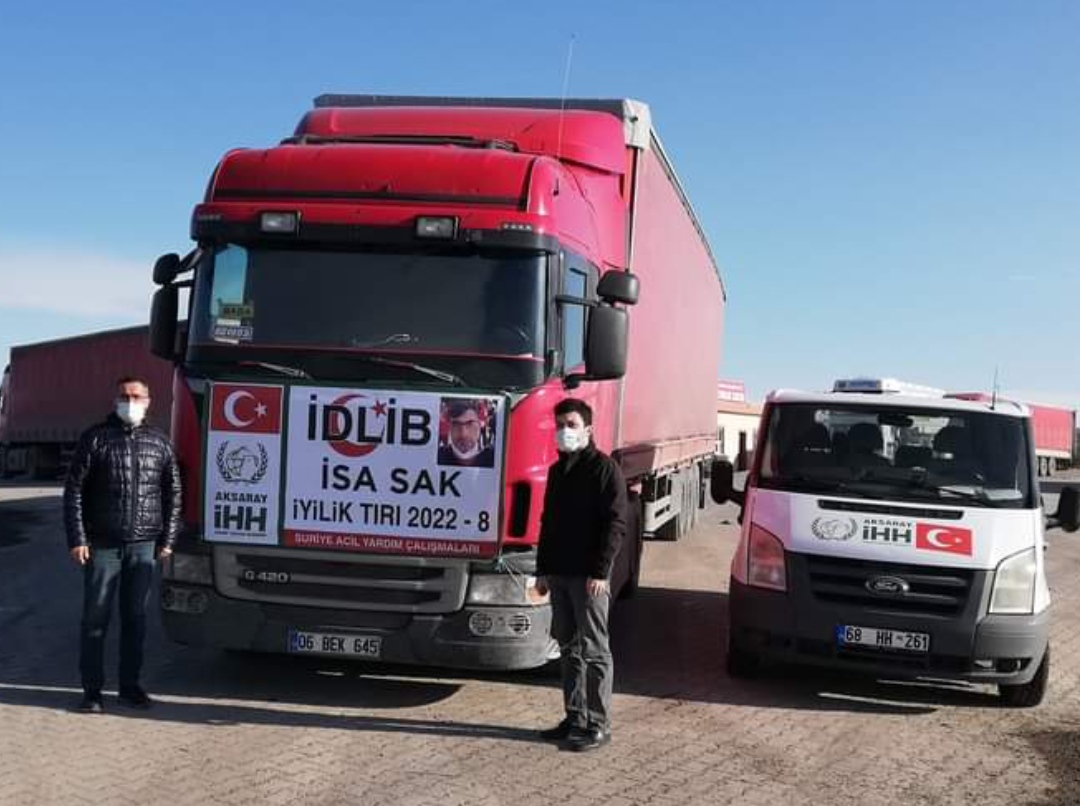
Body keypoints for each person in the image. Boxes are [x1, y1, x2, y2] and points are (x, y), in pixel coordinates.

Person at [64, 376, 182, 713]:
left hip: (143, 546)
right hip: (102, 545)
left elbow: (173, 494)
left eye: (136, 396)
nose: (130, 402)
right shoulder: (95, 438)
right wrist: (78, 538)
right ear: (115, 400)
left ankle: (130, 687)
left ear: (148, 401)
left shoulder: (159, 442)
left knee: (135, 619)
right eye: (124, 396)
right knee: (95, 619)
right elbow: (74, 491)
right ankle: (92, 692)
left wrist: (168, 540)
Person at [535, 398, 627, 752]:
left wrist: (601, 571)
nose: (564, 431)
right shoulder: (558, 471)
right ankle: (575, 717)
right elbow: (548, 523)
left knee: (595, 649)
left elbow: (615, 524)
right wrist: (543, 570)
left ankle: (598, 724)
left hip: (588, 578)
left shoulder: (604, 469)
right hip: (559, 574)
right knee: (568, 647)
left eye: (571, 425)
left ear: (588, 429)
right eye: (560, 425)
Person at [437, 400, 496, 468]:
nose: (463, 434)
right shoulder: (436, 456)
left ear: (479, 425)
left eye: (470, 424)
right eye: (456, 425)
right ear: (450, 427)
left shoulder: (495, 458)